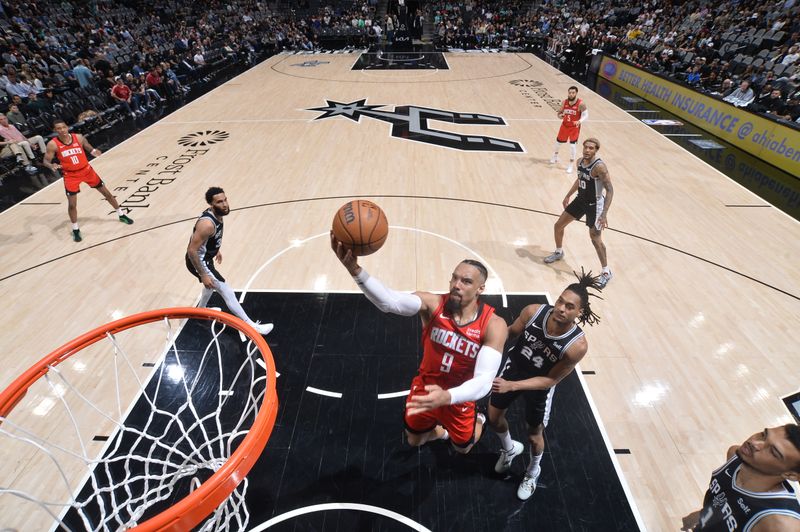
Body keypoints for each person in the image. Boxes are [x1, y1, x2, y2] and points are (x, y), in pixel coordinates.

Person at [331, 236, 508, 453]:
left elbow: (484, 381)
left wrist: (448, 396)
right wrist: (355, 270)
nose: (456, 285)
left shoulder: (493, 325)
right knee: (415, 441)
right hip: (425, 387)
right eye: (454, 278)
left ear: (481, 289)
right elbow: (389, 301)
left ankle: (478, 419)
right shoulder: (432, 304)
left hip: (459, 395)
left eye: (466, 281)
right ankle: (442, 433)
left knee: (462, 448)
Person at [486, 270, 600, 500]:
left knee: (533, 435)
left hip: (539, 386)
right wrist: (485, 343)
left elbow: (550, 380)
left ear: (580, 312)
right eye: (560, 301)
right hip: (515, 368)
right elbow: (509, 333)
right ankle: (509, 450)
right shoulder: (533, 311)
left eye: (569, 306)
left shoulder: (577, 346)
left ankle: (532, 471)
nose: (561, 308)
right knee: (494, 417)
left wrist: (513, 386)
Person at [185, 187, 274, 337]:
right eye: (220, 202)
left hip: (206, 258)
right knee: (226, 291)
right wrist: (203, 274)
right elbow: (192, 251)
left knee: (210, 286)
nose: (225, 204)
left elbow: (206, 240)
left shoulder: (218, 213)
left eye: (225, 199)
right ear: (211, 205)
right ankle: (252, 327)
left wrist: (215, 249)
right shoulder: (207, 224)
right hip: (198, 262)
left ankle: (201, 310)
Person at [681, 424, 800, 531]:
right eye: (763, 435)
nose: (754, 443)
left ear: (790, 475)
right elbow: (723, 502)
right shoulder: (735, 455)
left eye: (773, 452)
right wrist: (700, 516)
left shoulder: (780, 524)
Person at [42, 120, 134, 242]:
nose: (62, 130)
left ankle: (121, 214)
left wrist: (94, 151)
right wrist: (51, 165)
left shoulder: (78, 137)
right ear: (55, 130)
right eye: (59, 128)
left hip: (87, 171)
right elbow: (45, 161)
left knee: (107, 193)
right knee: (72, 205)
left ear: (67, 127)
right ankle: (75, 229)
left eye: (64, 127)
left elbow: (88, 147)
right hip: (70, 176)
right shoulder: (52, 144)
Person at [544, 137, 615, 288]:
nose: (588, 150)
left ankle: (606, 272)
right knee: (558, 225)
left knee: (595, 238)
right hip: (580, 200)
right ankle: (559, 252)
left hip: (595, 205)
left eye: (591, 148)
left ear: (596, 150)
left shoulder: (599, 167)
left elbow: (610, 190)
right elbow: (579, 180)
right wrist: (568, 195)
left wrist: (604, 213)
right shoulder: (580, 162)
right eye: (586, 147)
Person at [550, 86, 588, 174]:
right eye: (569, 92)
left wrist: (579, 121)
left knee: (572, 146)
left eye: (573, 93)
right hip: (564, 126)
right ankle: (555, 156)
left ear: (576, 93)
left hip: (574, 127)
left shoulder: (581, 104)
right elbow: (559, 113)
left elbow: (586, 115)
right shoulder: (564, 102)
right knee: (558, 143)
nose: (571, 94)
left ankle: (570, 164)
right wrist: (560, 116)